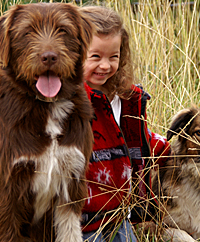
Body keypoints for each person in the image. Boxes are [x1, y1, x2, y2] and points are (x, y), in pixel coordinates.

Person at [80, 6, 171, 242]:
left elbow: (137, 139)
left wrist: (172, 152)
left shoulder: (125, 98)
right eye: (95, 57)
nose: (105, 66)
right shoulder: (70, 103)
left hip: (119, 214)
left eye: (114, 57)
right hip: (82, 218)